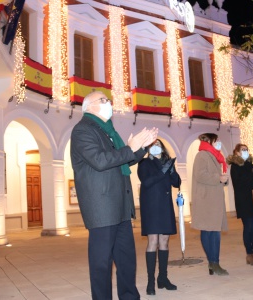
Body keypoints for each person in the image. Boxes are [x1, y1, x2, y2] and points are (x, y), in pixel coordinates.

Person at [70, 91, 158, 300]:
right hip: (101, 208)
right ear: (89, 106)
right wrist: (130, 147)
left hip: (119, 207)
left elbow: (121, 161)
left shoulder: (108, 131)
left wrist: (140, 148)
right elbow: (100, 160)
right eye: (104, 100)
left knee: (126, 260)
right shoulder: (83, 130)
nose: (108, 103)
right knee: (101, 264)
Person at [137, 139, 181, 295]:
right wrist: (162, 172)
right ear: (149, 149)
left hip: (165, 206)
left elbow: (176, 183)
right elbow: (147, 182)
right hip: (151, 207)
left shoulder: (167, 163)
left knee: (164, 241)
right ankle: (151, 281)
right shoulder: (143, 163)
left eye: (158, 145)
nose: (156, 148)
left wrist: (171, 171)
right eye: (153, 146)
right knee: (153, 241)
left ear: (162, 148)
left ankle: (163, 278)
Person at [191, 133, 229, 275]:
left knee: (214, 231)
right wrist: (218, 177)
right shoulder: (202, 155)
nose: (219, 143)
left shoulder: (215, 156)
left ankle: (214, 262)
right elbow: (200, 175)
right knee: (209, 230)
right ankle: (213, 262)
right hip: (206, 199)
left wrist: (223, 178)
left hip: (214, 199)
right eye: (216, 140)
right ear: (210, 141)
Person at [227, 143, 253, 266]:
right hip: (244, 201)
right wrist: (250, 174)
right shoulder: (235, 166)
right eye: (243, 150)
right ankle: (249, 254)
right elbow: (237, 184)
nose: (246, 152)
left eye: (247, 150)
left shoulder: (250, 164)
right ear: (237, 152)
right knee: (248, 228)